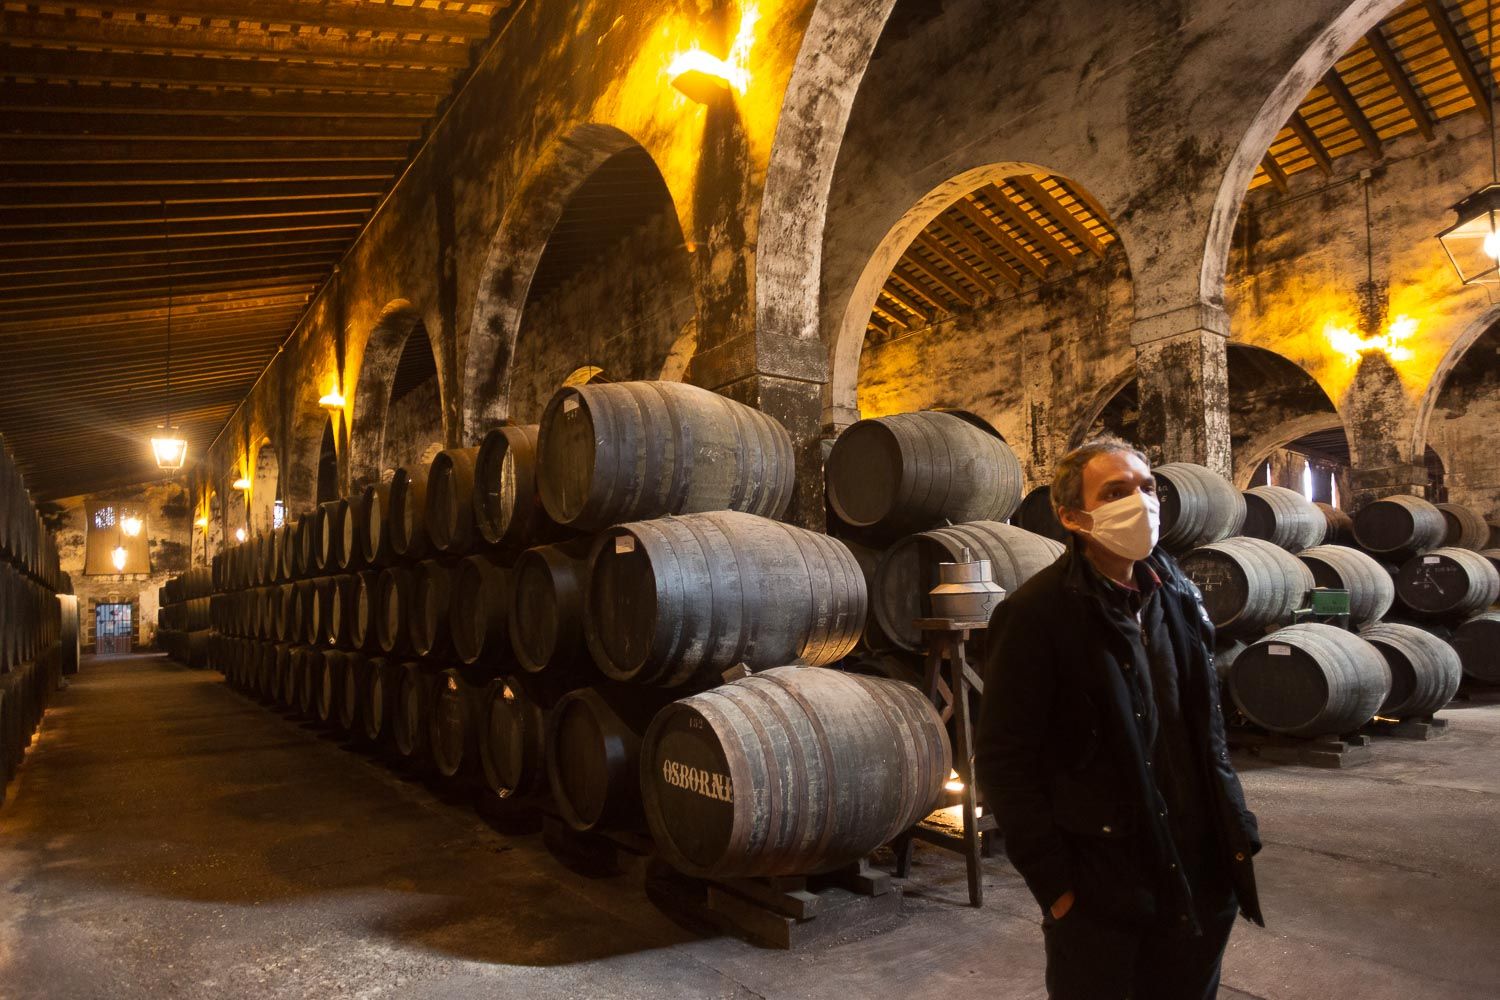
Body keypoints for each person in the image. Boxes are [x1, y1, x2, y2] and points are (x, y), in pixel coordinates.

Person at [973, 436, 1263, 1000]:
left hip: (1201, 865)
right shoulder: (1037, 613)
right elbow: (1005, 761)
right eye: (1115, 492)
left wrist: (1238, 825)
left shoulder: (1176, 591)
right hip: (1104, 881)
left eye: (1146, 487)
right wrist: (1056, 887)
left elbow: (1205, 725)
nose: (1140, 501)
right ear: (1072, 516)